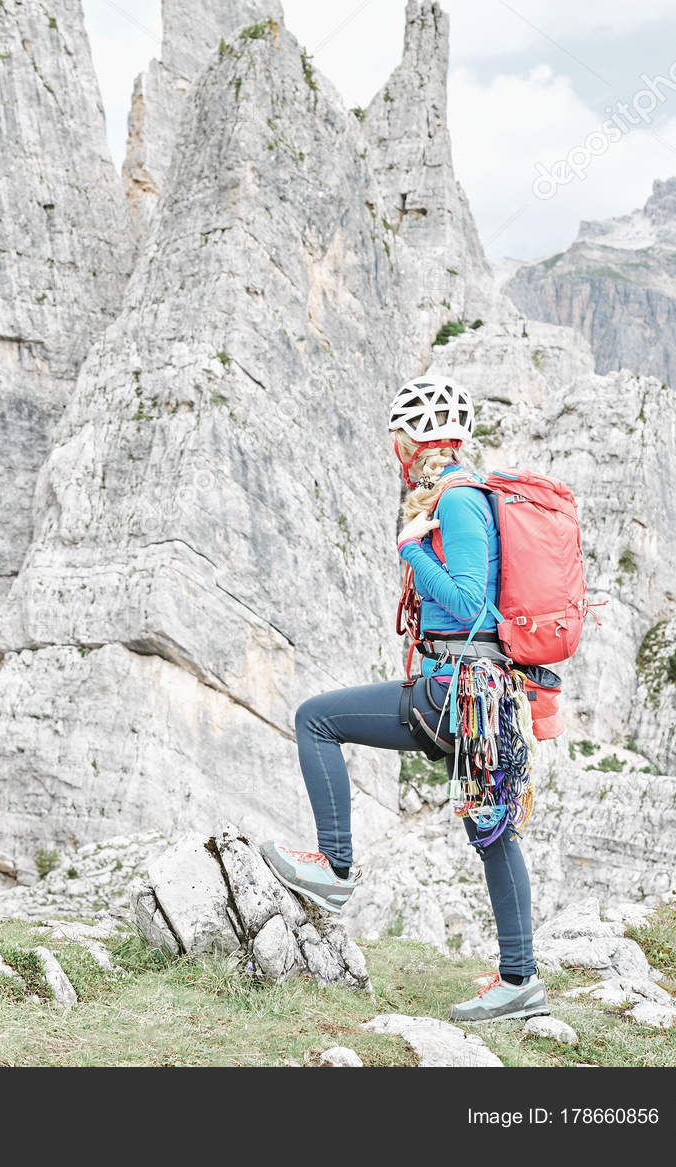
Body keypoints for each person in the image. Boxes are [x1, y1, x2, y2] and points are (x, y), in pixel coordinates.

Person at [262, 377, 547, 1023]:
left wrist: (412, 550)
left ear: (412, 441)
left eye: (398, 438)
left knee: (317, 719)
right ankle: (519, 978)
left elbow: (471, 603)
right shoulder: (463, 494)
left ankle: (334, 868)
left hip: (456, 691)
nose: (394, 449)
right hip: (480, 698)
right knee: (492, 831)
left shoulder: (458, 501)